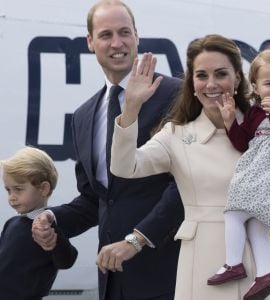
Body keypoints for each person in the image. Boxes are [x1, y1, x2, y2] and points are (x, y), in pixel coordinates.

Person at [109, 35, 270, 300]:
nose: (211, 84)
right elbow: (125, 167)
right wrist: (131, 107)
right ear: (192, 83)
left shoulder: (266, 127)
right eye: (202, 75)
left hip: (257, 265)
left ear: (238, 78)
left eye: (221, 74)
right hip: (203, 265)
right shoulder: (176, 135)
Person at [32, 1, 184, 300]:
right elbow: (97, 200)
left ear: (137, 36)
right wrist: (51, 219)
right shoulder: (84, 116)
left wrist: (136, 241)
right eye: (106, 34)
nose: (117, 43)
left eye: (124, 32)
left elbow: (186, 184)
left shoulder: (175, 95)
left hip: (170, 273)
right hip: (114, 279)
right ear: (90, 42)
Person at [207, 46, 270, 299]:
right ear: (256, 88)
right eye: (269, 83)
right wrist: (229, 123)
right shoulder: (254, 112)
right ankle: (264, 276)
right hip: (261, 175)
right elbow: (241, 143)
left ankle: (234, 263)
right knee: (256, 228)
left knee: (234, 213)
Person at [0, 146, 78, 300]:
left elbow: (67, 260)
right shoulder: (11, 223)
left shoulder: (47, 228)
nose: (12, 197)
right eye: (8, 190)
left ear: (43, 188)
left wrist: (53, 234)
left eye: (18, 189)